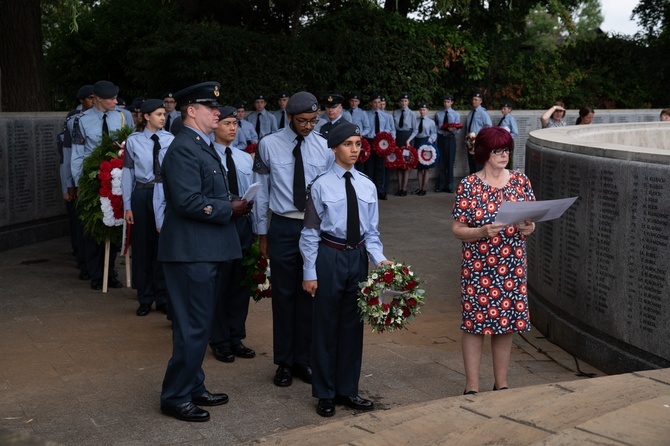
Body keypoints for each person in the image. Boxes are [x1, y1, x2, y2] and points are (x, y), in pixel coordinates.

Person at [157, 81, 251, 422]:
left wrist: (230, 200)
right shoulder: (184, 148)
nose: (218, 112)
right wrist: (229, 208)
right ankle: (175, 396)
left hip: (202, 250)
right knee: (193, 327)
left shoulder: (199, 144)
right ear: (191, 111)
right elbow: (187, 201)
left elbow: (206, 191)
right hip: (189, 252)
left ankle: (193, 384)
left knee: (197, 325)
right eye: (210, 107)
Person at [300, 121, 390, 417]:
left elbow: (372, 232)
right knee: (325, 325)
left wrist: (381, 260)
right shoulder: (321, 185)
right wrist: (309, 272)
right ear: (334, 148)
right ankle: (325, 393)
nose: (354, 150)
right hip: (330, 255)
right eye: (348, 144)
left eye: (358, 144)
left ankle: (347, 389)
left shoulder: (367, 184)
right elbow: (311, 232)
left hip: (358, 258)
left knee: (352, 325)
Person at [253, 91, 334, 388]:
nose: (308, 126)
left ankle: (304, 359)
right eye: (303, 121)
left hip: (315, 228)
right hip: (284, 227)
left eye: (313, 120)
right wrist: (262, 233)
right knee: (284, 297)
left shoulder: (325, 146)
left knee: (310, 294)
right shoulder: (269, 145)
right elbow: (261, 192)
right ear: (289, 117)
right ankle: (284, 362)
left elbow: (330, 191)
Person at [451, 126, 536, 395]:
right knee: (475, 325)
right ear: (485, 152)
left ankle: (502, 384)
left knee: (506, 324)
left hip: (511, 264)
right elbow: (457, 229)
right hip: (479, 266)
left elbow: (531, 219)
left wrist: (529, 228)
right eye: (498, 150)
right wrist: (480, 232)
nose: (504, 155)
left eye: (507, 150)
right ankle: (472, 387)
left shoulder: (521, 181)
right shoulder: (469, 185)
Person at [71, 80, 132, 290]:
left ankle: (111, 271)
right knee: (93, 227)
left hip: (116, 176)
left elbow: (129, 147)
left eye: (116, 97)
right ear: (97, 98)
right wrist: (80, 182)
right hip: (92, 178)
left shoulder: (123, 117)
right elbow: (77, 154)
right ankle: (96, 274)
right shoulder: (81, 121)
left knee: (114, 224)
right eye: (111, 98)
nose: (115, 101)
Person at [209, 106, 256, 363]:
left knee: (240, 281)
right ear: (215, 125)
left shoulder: (243, 157)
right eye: (227, 123)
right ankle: (219, 339)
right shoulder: (206, 156)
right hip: (220, 223)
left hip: (243, 225)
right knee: (221, 282)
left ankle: (236, 336)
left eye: (235, 124)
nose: (232, 128)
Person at [122, 99, 173, 317]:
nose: (163, 117)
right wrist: (127, 205)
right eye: (158, 114)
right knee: (142, 246)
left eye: (164, 114)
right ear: (146, 117)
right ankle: (144, 297)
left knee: (162, 245)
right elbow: (128, 174)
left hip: (163, 194)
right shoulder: (134, 141)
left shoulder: (170, 139)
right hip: (143, 194)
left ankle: (162, 296)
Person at [60, 84, 95, 280]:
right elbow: (67, 157)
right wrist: (69, 185)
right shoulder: (74, 121)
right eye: (89, 98)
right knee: (82, 226)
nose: (93, 101)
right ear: (82, 100)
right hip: (81, 180)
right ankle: (85, 264)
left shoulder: (109, 118)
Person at [363, 93, 395, 200]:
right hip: (370, 140)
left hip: (381, 142)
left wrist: (383, 135)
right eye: (375, 102)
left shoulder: (385, 116)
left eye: (379, 103)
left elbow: (389, 129)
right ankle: (369, 191)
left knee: (380, 167)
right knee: (369, 167)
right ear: (371, 103)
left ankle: (380, 190)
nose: (377, 105)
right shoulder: (366, 115)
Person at [433, 94, 460, 193]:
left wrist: (453, 130)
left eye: (448, 102)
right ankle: (441, 184)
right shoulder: (438, 114)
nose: (446, 104)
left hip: (450, 138)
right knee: (442, 162)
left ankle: (449, 185)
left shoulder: (455, 114)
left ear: (451, 102)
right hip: (441, 138)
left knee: (450, 162)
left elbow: (458, 129)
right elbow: (436, 128)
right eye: (444, 102)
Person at [393, 93, 417, 196]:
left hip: (407, 138)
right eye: (402, 101)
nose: (404, 103)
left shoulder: (412, 114)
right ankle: (399, 188)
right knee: (398, 163)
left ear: (408, 102)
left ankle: (404, 188)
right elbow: (393, 127)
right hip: (398, 137)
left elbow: (415, 129)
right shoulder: (395, 112)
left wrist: (409, 140)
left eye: (405, 101)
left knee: (406, 164)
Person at [412, 102, 437, 196]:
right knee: (419, 168)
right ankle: (419, 187)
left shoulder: (431, 122)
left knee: (426, 167)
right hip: (418, 142)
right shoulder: (416, 120)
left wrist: (430, 141)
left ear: (427, 111)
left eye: (424, 110)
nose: (422, 111)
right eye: (421, 110)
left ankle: (424, 188)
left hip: (426, 143)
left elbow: (434, 133)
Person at [464, 92, 492, 174]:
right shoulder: (471, 112)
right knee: (471, 164)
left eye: (476, 100)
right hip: (470, 142)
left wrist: (479, 136)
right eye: (473, 99)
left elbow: (488, 126)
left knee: (478, 165)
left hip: (478, 142)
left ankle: (479, 184)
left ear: (480, 101)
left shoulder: (483, 113)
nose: (473, 101)